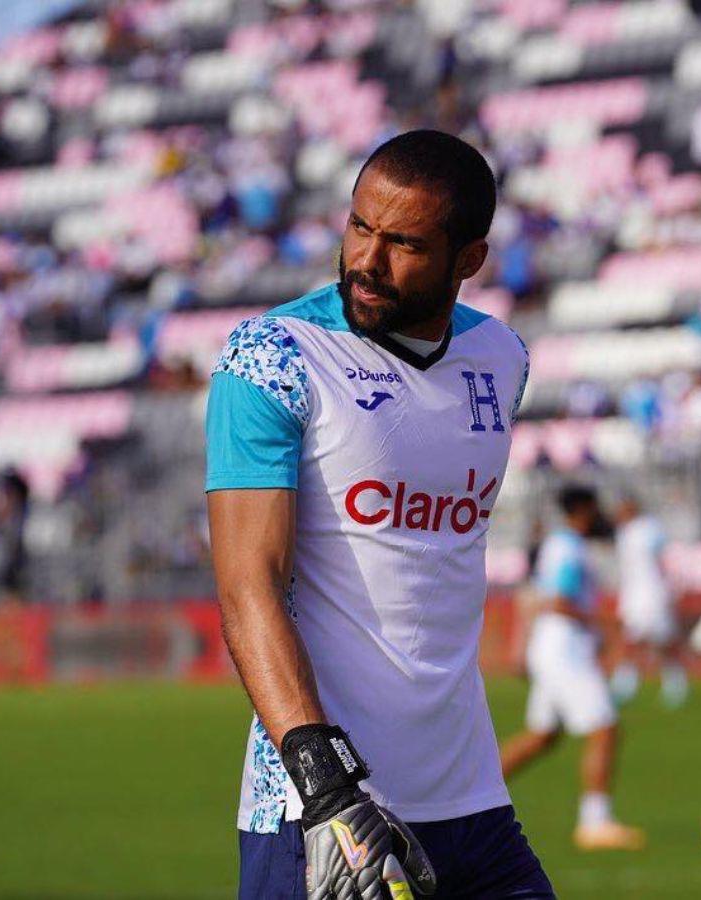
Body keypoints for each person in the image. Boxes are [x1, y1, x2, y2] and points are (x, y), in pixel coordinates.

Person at [206, 130, 554, 899]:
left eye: (404, 244)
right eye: (360, 226)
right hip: (320, 813)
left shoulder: (503, 358)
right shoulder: (273, 355)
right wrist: (326, 787)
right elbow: (248, 587)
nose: (367, 259)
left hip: (473, 803)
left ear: (469, 259)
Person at [499, 485, 646, 852]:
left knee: (542, 736)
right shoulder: (567, 547)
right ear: (582, 509)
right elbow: (558, 601)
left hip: (555, 647)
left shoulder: (562, 545)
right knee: (605, 727)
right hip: (564, 649)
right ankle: (595, 822)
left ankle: (471, 798)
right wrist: (604, 622)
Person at [609, 496, 688, 708]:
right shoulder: (623, 533)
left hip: (653, 592)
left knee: (662, 639)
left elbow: (665, 560)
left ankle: (675, 680)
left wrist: (671, 588)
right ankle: (626, 683)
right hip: (633, 594)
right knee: (631, 638)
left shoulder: (649, 529)